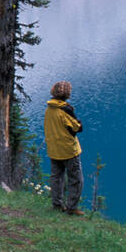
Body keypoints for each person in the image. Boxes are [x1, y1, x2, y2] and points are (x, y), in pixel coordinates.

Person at [44, 80, 84, 215]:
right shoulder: (65, 110)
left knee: (57, 178)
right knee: (76, 179)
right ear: (67, 94)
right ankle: (72, 207)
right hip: (68, 150)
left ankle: (57, 205)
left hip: (54, 149)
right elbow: (77, 127)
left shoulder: (49, 109)